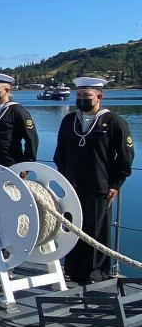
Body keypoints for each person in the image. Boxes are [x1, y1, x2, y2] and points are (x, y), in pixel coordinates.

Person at [54, 77, 134, 285]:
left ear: (99, 97)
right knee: (73, 228)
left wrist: (116, 183)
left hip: (100, 186)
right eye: (79, 95)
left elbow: (125, 156)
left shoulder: (114, 122)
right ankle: (73, 269)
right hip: (72, 186)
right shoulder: (69, 121)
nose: (82, 99)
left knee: (96, 231)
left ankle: (96, 274)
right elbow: (60, 153)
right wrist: (63, 178)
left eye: (86, 96)